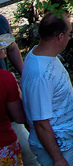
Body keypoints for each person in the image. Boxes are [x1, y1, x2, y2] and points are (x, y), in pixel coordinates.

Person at [21, 13, 73, 166]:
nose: (69, 38)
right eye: (69, 34)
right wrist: (58, 158)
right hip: (58, 147)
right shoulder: (40, 75)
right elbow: (40, 122)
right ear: (60, 37)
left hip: (65, 140)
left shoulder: (42, 54)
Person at [0, 34, 25, 166]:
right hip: (3, 147)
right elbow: (20, 117)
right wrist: (19, 93)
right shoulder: (6, 79)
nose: (5, 47)